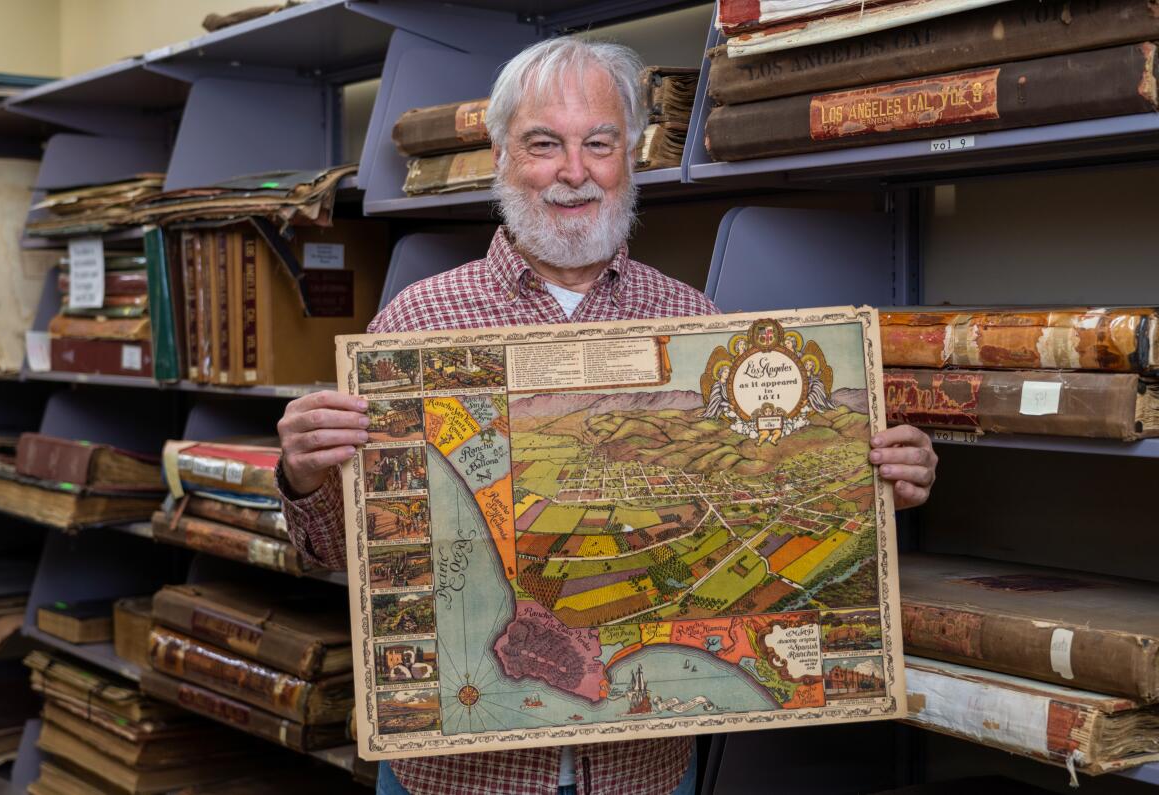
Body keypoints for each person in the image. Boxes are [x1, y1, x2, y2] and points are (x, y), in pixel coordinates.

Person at [276, 36, 939, 795]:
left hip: (642, 774)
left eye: (599, 143)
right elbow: (333, 555)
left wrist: (880, 472)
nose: (573, 171)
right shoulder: (415, 325)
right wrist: (302, 472)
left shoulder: (693, 321)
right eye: (543, 144)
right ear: (500, 156)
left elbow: (788, 487)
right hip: (457, 776)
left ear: (631, 156)